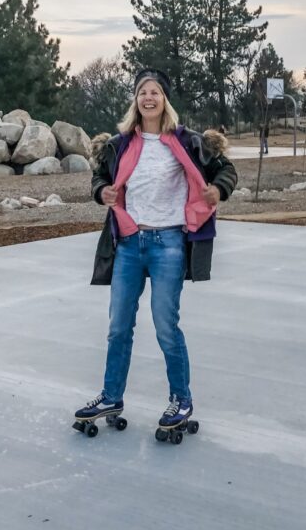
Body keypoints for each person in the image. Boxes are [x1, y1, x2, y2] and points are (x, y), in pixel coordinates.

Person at [75, 69, 238, 431]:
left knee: (166, 326)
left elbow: (226, 169)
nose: (148, 98)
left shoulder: (188, 141)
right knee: (119, 327)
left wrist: (218, 191)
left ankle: (182, 399)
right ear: (136, 100)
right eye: (142, 93)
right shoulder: (120, 144)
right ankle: (111, 395)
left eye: (155, 92)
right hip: (130, 245)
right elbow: (100, 177)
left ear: (165, 100)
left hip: (168, 244)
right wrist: (101, 191)